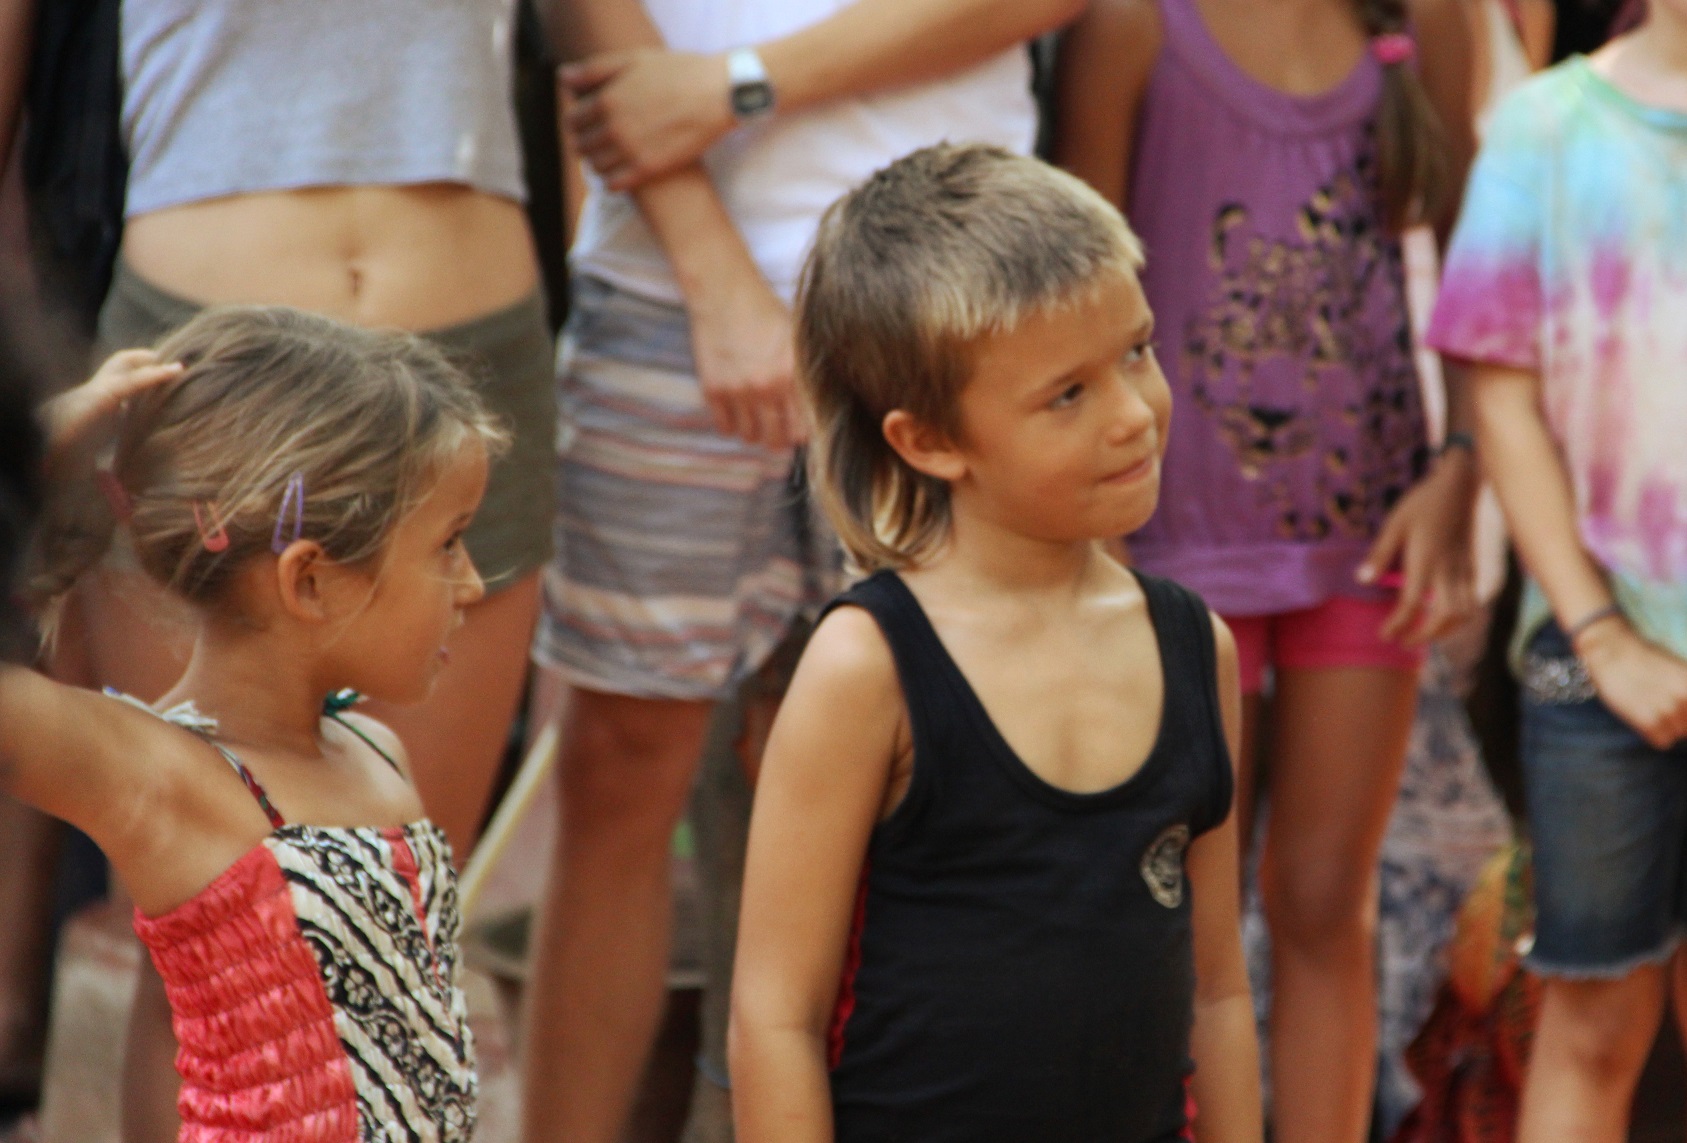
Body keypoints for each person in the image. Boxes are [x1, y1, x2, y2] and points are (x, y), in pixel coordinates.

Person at [523, 2, 1081, 1138]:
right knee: (619, 770)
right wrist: (715, 272)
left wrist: (740, 81)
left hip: (958, 289)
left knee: (968, 772)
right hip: (663, 293)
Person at [728, 142, 1261, 1143]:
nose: (1132, 414)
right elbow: (773, 1018)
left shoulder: (1197, 650)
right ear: (928, 440)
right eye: (1067, 394)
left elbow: (1218, 989)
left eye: (1136, 352)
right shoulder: (867, 669)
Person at [1054, 2, 1477, 1139]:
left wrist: (1462, 468)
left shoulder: (1427, 19)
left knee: (1326, 899)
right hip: (1174, 547)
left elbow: (1481, 257)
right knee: (1187, 920)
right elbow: (1066, 290)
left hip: (1369, 538)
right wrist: (1099, 540)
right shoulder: (1132, 25)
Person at [2, 307, 503, 1140]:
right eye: (448, 544)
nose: (474, 584)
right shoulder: (163, 775)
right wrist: (37, 447)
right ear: (310, 580)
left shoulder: (376, 749)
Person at [1425, 2, 1687, 1136]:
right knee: (1590, 1020)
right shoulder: (1545, 128)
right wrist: (1602, 635)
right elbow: (1502, 399)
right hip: (1594, 666)